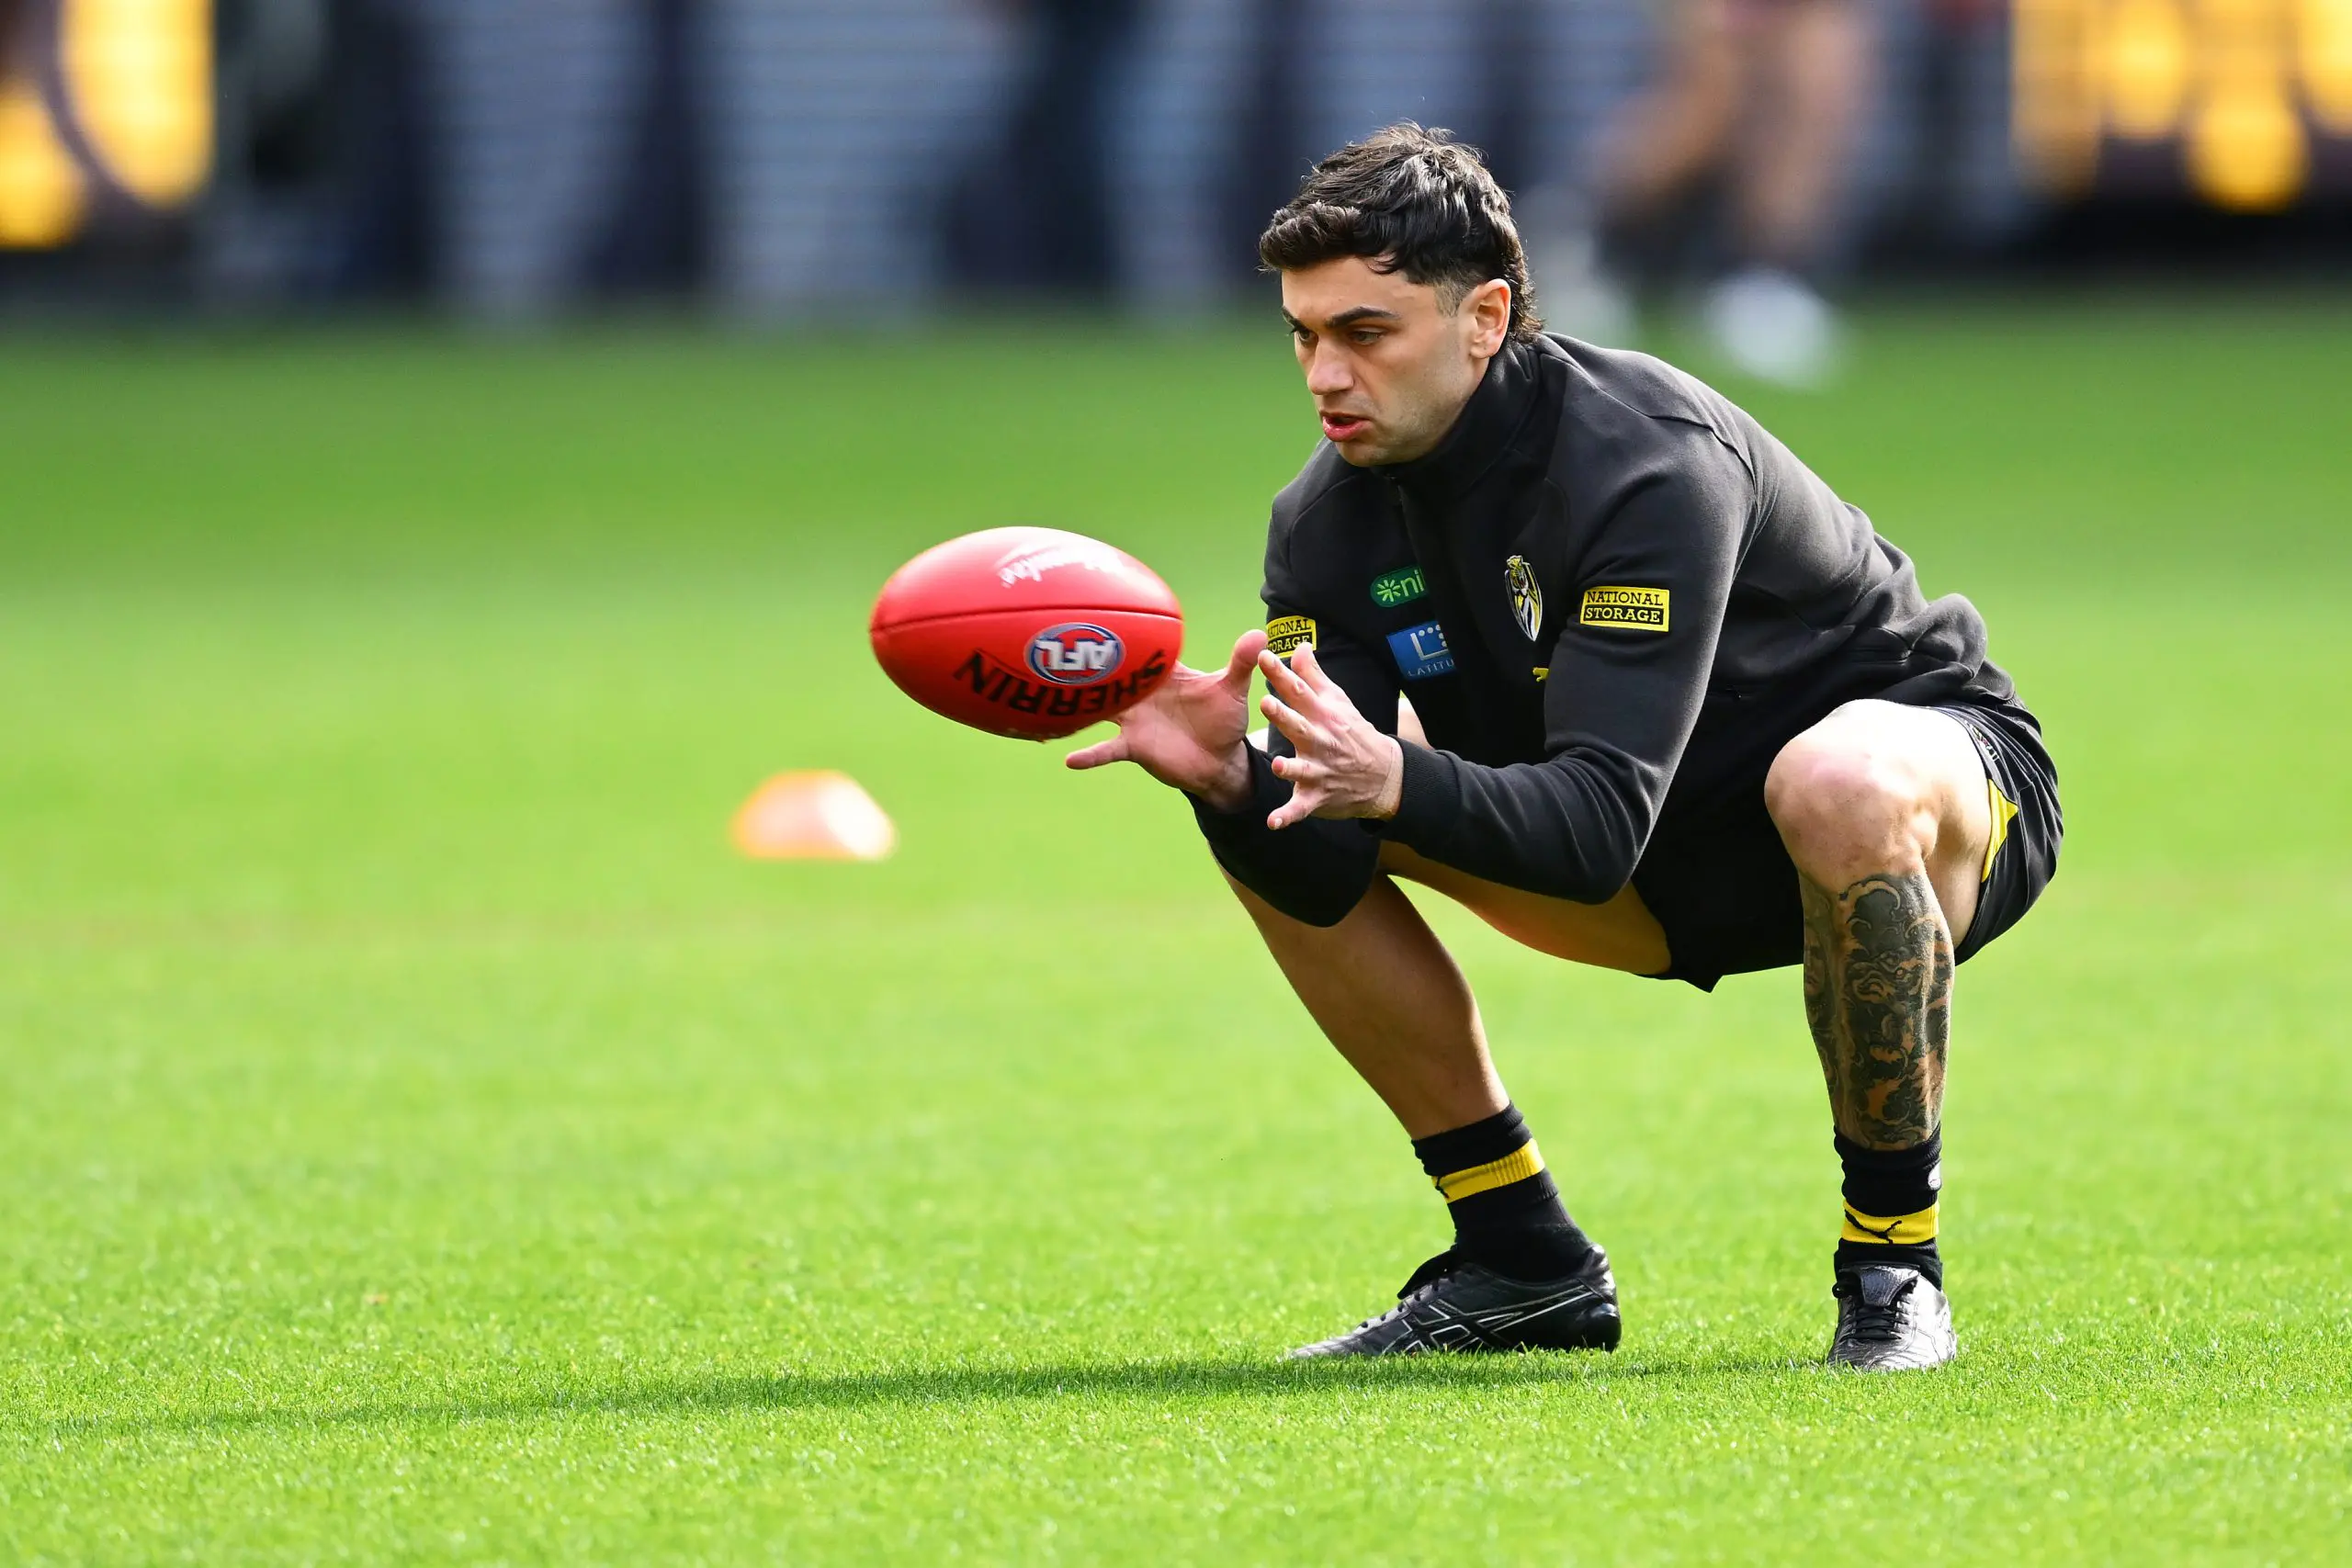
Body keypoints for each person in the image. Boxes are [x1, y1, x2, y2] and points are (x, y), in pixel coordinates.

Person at [1069, 124, 2058, 1371]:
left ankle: (1892, 1265)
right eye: (1304, 337)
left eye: (1366, 333)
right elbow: (1329, 871)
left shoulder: (1643, 460)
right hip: (1658, 858)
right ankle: (1517, 1257)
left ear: (1485, 316)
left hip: (1924, 805)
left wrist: (1395, 779)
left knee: (1834, 776)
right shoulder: (1322, 526)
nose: (1324, 374)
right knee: (1281, 807)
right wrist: (1229, 781)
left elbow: (1589, 835)